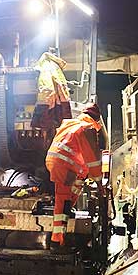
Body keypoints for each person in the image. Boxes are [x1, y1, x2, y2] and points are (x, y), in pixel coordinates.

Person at [44, 103, 104, 249]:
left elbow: (81, 158)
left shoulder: (70, 124)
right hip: (64, 167)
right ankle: (57, 241)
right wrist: (99, 182)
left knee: (78, 183)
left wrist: (85, 175)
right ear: (96, 120)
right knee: (62, 201)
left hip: (57, 162)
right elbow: (93, 159)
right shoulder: (87, 129)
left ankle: (68, 209)